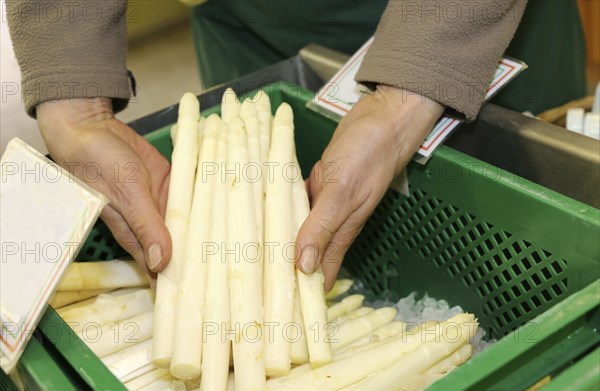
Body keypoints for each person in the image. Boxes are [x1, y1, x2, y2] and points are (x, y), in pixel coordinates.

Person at [6, 0, 586, 290]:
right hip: (249, 20)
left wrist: (405, 96)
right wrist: (72, 94)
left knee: (530, 258)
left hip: (466, 25)